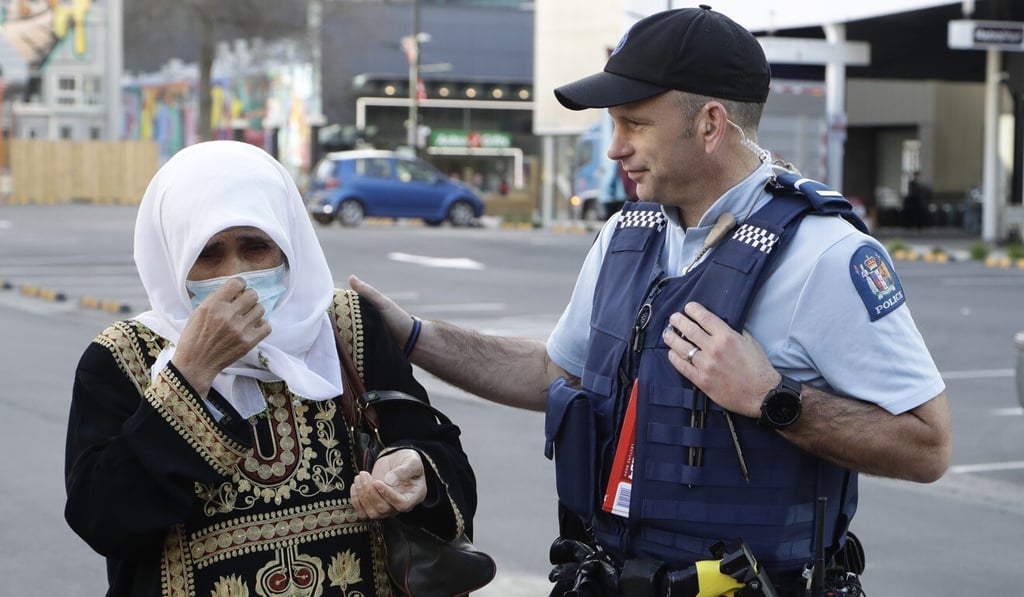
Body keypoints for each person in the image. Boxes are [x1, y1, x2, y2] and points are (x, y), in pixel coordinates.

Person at [351, 6, 951, 596]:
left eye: (634, 123)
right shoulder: (627, 235)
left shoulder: (824, 254)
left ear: (710, 124)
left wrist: (773, 399)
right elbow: (552, 373)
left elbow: (928, 445)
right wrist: (409, 334)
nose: (615, 148)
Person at [64, 140, 477, 596]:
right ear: (173, 257)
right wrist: (190, 376)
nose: (236, 275)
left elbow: (441, 454)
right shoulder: (123, 357)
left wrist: (415, 472)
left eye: (255, 246)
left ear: (287, 245)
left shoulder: (347, 328)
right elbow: (101, 520)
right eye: (208, 254)